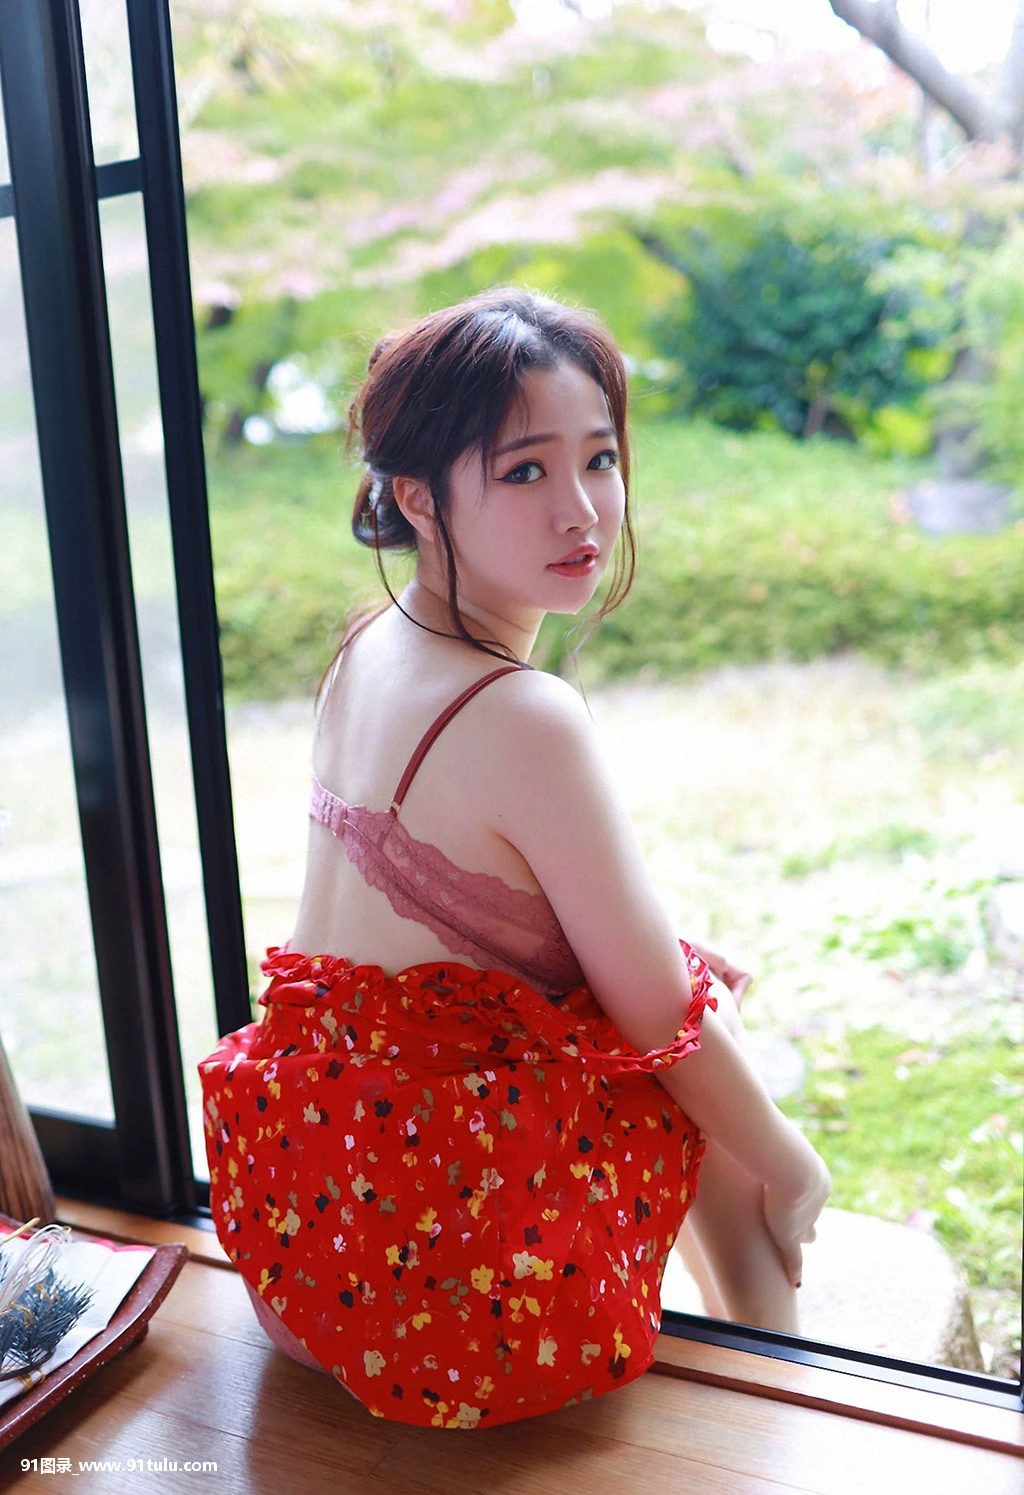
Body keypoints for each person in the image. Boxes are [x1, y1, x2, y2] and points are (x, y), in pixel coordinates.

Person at [199, 288, 830, 1431]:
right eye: (526, 470)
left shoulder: (370, 643)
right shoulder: (521, 713)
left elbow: (477, 932)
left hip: (303, 1235)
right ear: (415, 496)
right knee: (698, 1043)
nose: (581, 510)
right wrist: (793, 1164)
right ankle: (777, 1402)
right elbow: (658, 1015)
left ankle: (762, 1369)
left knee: (673, 988)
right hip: (437, 1298)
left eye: (600, 458)